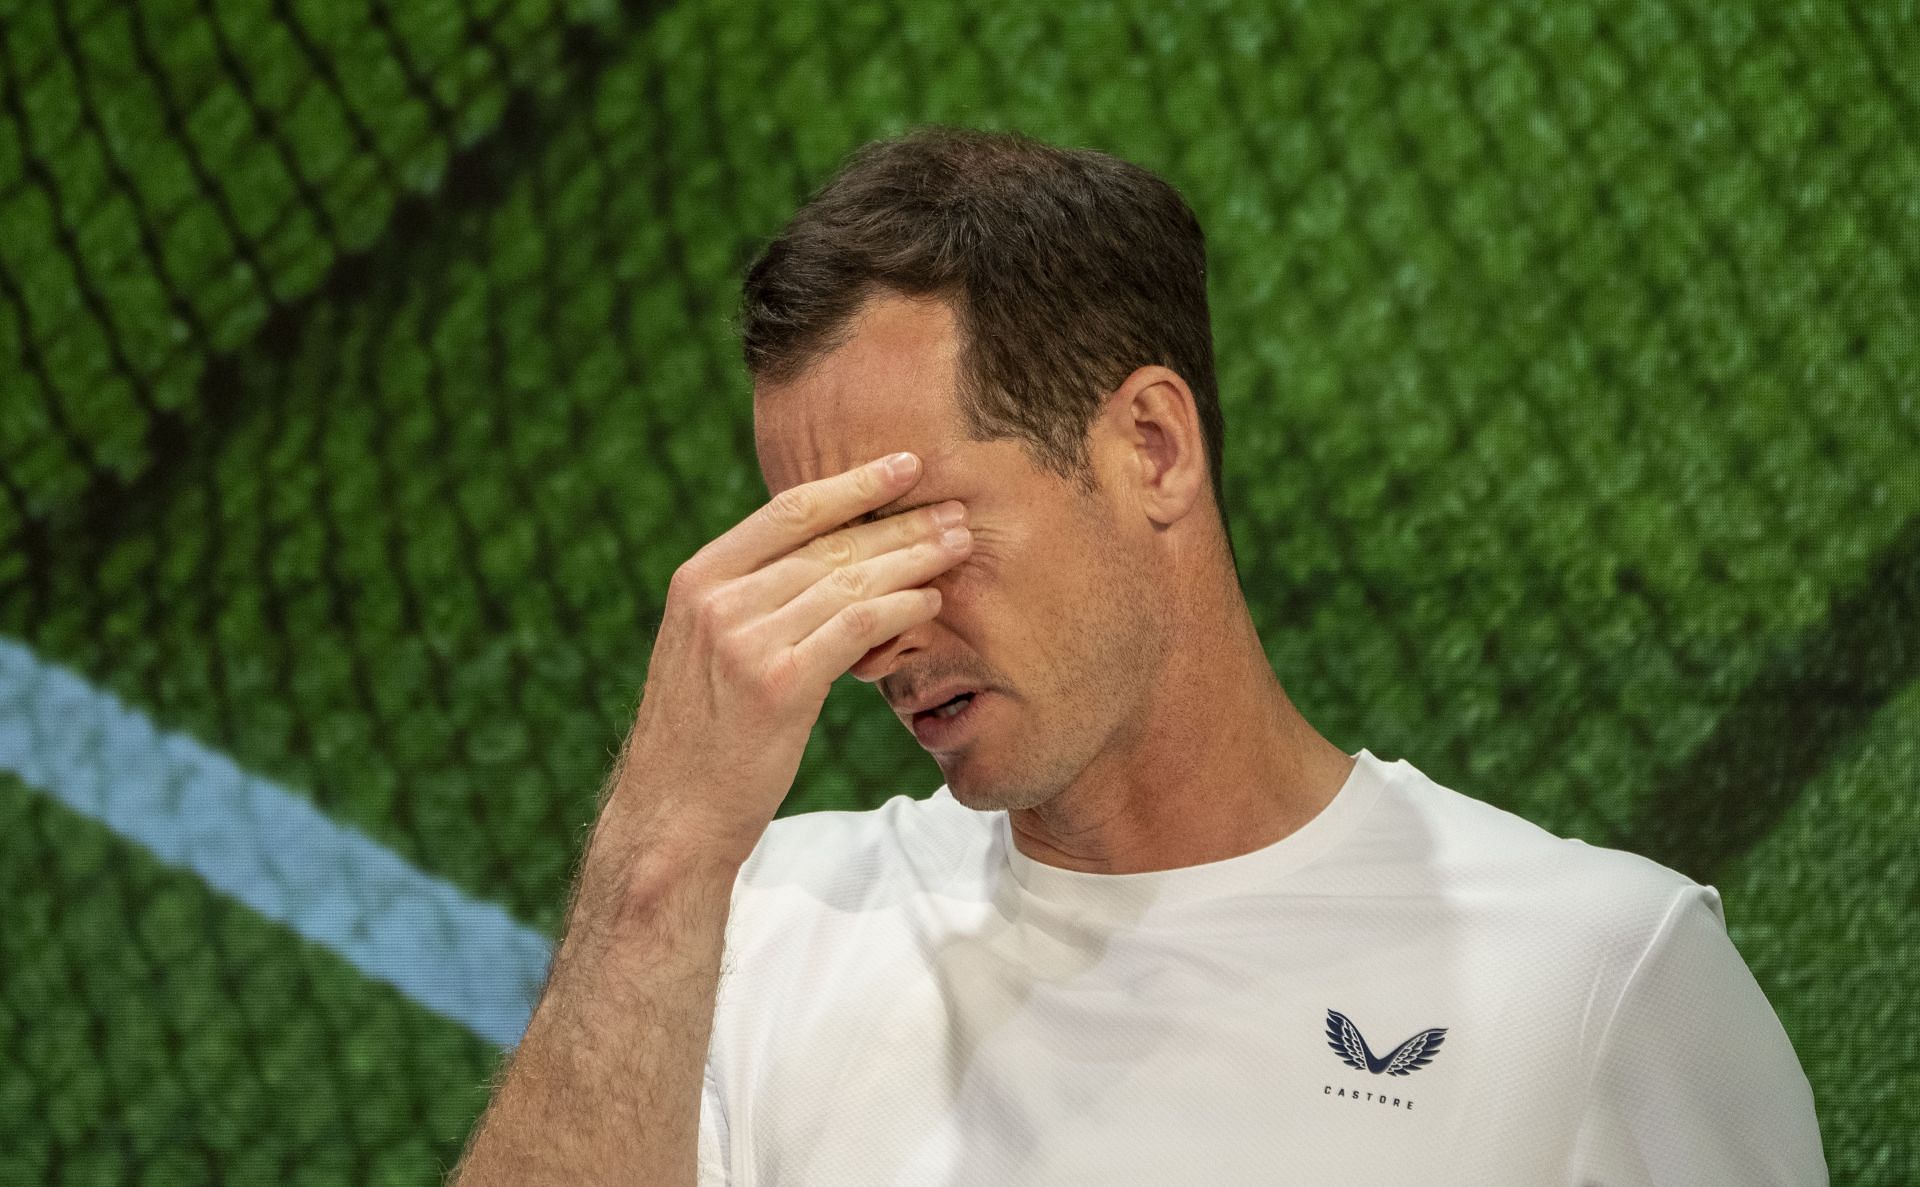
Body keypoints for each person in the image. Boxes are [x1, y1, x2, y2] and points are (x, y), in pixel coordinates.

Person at [448, 126, 1827, 1185]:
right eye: (827, 554)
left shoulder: (1596, 978)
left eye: (910, 531)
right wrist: (661, 853)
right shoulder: (761, 935)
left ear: (1150, 449)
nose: (877, 636)